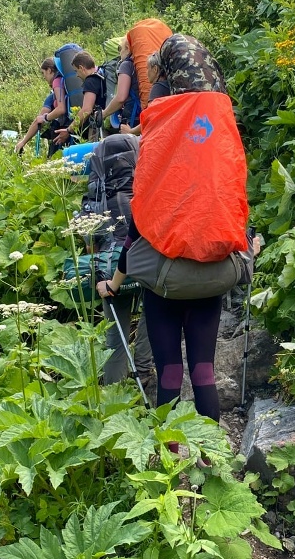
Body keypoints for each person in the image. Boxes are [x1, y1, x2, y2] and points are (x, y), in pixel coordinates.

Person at [96, 33, 246, 424]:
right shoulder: (219, 137)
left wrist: (112, 285)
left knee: (170, 373)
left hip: (165, 279)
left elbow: (137, 229)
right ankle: (211, 456)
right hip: (211, 277)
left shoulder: (161, 151)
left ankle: (169, 456)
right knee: (203, 371)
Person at [88, 134, 153, 387]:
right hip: (145, 268)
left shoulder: (95, 197)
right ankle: (144, 372)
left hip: (110, 273)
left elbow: (89, 241)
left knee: (115, 335)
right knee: (152, 316)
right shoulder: (146, 192)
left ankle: (115, 390)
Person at [15, 58, 68, 156]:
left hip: (61, 132)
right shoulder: (66, 85)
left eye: (43, 73)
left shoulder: (57, 82)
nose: (44, 77)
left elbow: (39, 120)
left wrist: (23, 142)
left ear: (49, 70)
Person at [54, 51, 106, 148]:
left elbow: (86, 109)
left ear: (81, 68)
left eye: (76, 71)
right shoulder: (101, 74)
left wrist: (69, 130)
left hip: (100, 128)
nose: (77, 75)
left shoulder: (90, 81)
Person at [120, 52, 170, 137]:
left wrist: (130, 131)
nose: (146, 73)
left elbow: (150, 120)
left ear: (155, 69)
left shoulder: (158, 88)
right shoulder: (169, 85)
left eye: (147, 68)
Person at [102, 37, 141, 131]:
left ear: (127, 48)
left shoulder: (126, 65)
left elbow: (121, 98)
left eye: (120, 49)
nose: (120, 53)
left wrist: (104, 114)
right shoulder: (141, 63)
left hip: (132, 117)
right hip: (144, 116)